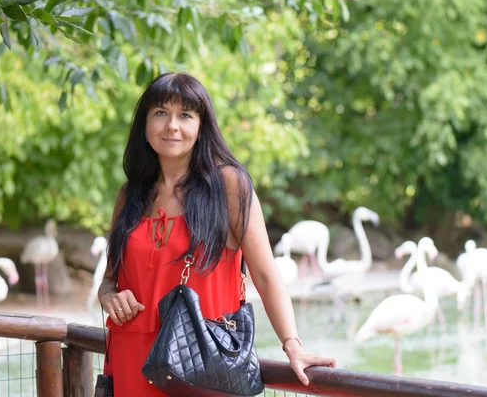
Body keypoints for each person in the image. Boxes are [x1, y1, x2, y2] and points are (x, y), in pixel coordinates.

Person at [98, 72, 336, 396]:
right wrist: (110, 296)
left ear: (201, 126)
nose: (172, 125)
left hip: (201, 364)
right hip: (130, 356)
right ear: (144, 123)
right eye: (160, 113)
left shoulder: (228, 186)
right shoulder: (130, 195)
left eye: (185, 115)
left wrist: (292, 344)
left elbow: (265, 275)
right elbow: (110, 279)